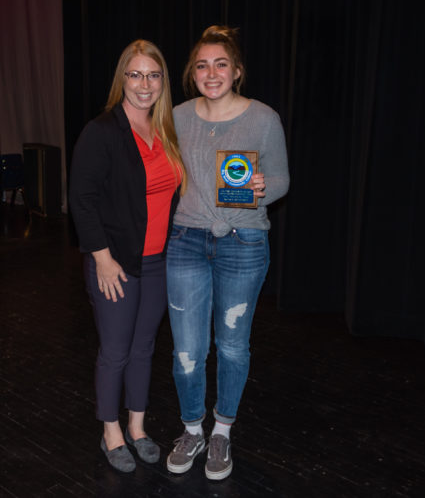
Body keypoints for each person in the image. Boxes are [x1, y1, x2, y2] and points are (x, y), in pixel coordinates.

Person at [166, 25, 289, 480]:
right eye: (201, 65)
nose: (211, 72)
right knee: (186, 351)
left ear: (237, 71)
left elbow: (280, 180)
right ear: (191, 73)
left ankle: (222, 431)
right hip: (187, 243)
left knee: (233, 346)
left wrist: (261, 188)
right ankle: (192, 429)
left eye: (221, 64)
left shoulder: (263, 118)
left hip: (244, 241)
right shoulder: (176, 116)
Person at [69, 39, 184, 473]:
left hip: (157, 261)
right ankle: (110, 431)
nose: (144, 84)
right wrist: (101, 258)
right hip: (114, 263)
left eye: (153, 75)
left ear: (162, 82)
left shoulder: (166, 130)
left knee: (143, 348)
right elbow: (82, 199)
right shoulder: (102, 132)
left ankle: (137, 427)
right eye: (135, 74)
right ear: (122, 79)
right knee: (115, 351)